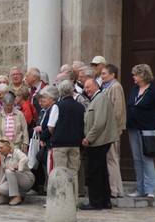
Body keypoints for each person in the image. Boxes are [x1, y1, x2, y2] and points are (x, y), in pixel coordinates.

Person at [126, 64, 155, 198]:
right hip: (133, 127)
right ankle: (140, 188)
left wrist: (154, 120)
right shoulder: (134, 89)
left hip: (147, 128)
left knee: (147, 158)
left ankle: (150, 189)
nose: (133, 77)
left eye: (135, 75)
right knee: (137, 159)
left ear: (142, 75)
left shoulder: (154, 91)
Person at [80, 78, 119, 210]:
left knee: (94, 172)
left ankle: (95, 202)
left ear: (96, 86)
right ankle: (104, 200)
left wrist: (88, 138)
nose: (86, 90)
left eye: (88, 87)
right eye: (85, 88)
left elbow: (99, 123)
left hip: (99, 141)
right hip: (98, 141)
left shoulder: (100, 99)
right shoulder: (96, 99)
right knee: (101, 171)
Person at [47, 80, 85, 203]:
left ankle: (62, 199)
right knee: (73, 172)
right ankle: (73, 200)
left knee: (61, 171)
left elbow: (51, 126)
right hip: (75, 143)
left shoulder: (57, 106)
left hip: (60, 143)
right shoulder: (80, 106)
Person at [101, 64, 126, 198]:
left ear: (112, 75)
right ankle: (116, 188)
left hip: (112, 130)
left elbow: (117, 110)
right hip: (109, 129)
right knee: (111, 158)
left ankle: (114, 189)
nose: (102, 76)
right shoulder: (107, 87)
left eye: (104, 73)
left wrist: (112, 128)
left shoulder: (115, 87)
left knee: (112, 158)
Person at [0, 139, 35, 205]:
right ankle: (21, 194)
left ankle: (16, 197)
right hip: (13, 181)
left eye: (1, 148)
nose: (0, 150)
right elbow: (0, 173)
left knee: (9, 171)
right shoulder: (2, 158)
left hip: (27, 178)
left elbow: (25, 158)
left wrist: (17, 166)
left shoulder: (16, 151)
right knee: (1, 188)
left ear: (8, 147)